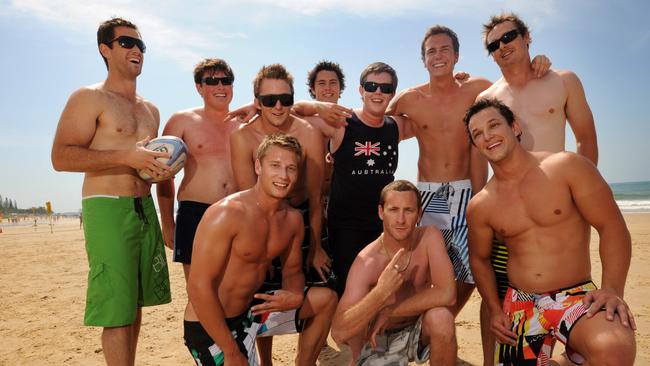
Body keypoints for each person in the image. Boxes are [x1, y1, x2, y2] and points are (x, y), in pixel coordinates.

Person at [386, 26, 552, 320]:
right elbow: (375, 128)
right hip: (428, 195)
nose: (438, 56)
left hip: (467, 191)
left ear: (457, 56)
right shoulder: (408, 99)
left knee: (474, 270)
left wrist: (537, 62)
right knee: (422, 270)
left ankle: (443, 318)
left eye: (444, 49)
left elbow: (515, 88)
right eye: (431, 51)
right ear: (423, 60)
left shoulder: (478, 89)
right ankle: (420, 327)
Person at [464, 98, 636, 365]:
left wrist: (612, 288)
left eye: (494, 125)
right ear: (475, 145)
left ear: (515, 126)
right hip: (520, 304)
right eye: (477, 134)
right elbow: (479, 258)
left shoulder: (567, 167)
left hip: (574, 295)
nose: (487, 136)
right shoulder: (481, 205)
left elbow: (611, 226)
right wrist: (495, 309)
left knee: (613, 348)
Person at [477, 13, 599, 363]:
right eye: (493, 45)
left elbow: (586, 142)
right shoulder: (488, 98)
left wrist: (581, 198)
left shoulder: (562, 81)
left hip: (556, 208)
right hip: (508, 213)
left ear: (526, 36)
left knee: (566, 292)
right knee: (497, 297)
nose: (502, 47)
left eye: (508, 37)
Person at [51, 17, 172, 365]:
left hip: (143, 206)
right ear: (105, 49)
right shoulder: (89, 97)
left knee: (134, 303)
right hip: (106, 206)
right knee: (117, 307)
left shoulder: (151, 109)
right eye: (126, 43)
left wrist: (154, 170)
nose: (136, 49)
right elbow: (61, 157)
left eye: (141, 45)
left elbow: (144, 164)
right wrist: (127, 156)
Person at [188, 133, 337, 366]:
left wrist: (295, 293)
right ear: (258, 166)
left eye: (291, 168)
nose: (283, 175)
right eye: (275, 166)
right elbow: (198, 287)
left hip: (252, 314)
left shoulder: (292, 219)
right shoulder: (227, 213)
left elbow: (292, 271)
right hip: (213, 325)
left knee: (326, 299)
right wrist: (231, 351)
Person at [229, 65, 335, 365]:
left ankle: (306, 361)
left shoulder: (309, 133)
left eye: (285, 99)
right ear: (257, 101)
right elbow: (243, 197)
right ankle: (266, 360)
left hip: (302, 219)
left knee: (322, 295)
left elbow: (315, 198)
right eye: (269, 99)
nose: (278, 106)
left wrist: (315, 249)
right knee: (261, 295)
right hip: (259, 221)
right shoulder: (242, 137)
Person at [293, 62, 415, 297]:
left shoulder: (397, 126)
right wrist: (318, 105)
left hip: (384, 228)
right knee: (349, 294)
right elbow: (289, 111)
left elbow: (433, 112)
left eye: (385, 88)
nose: (378, 92)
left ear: (392, 93)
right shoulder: (341, 122)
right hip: (346, 229)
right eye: (371, 86)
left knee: (382, 294)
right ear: (361, 91)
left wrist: (452, 80)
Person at [155, 58, 239, 350]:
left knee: (234, 290)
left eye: (225, 80)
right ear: (199, 87)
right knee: (201, 292)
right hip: (196, 214)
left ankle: (232, 349)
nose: (220, 86)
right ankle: (206, 352)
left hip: (237, 216)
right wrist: (168, 223)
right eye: (211, 81)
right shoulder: (181, 121)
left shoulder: (244, 121)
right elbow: (163, 176)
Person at [331, 180, 456, 365]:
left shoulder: (429, 236)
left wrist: (390, 311)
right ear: (381, 212)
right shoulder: (366, 262)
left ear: (419, 214)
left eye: (409, 210)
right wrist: (380, 293)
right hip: (378, 339)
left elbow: (448, 293)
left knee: (442, 318)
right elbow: (339, 332)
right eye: (393, 209)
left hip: (418, 327)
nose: (401, 219)